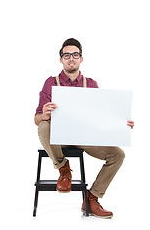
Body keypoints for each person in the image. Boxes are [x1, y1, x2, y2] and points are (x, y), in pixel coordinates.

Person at [34, 38, 134, 218]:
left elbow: (102, 117)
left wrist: (121, 124)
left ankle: (91, 198)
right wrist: (44, 115)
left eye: (75, 55)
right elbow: (36, 119)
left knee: (118, 155)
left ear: (81, 58)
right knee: (43, 126)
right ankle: (63, 168)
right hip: (58, 137)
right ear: (61, 59)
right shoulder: (51, 82)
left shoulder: (91, 84)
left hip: (84, 136)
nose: (71, 59)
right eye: (66, 55)